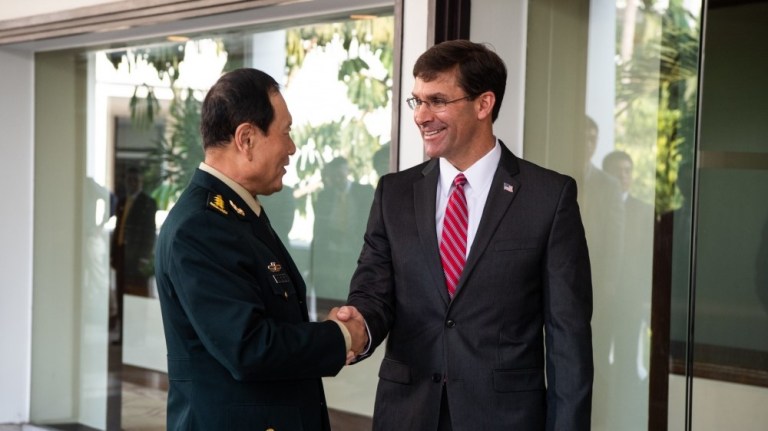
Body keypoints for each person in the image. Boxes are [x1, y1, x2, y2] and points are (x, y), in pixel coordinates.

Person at [336, 40, 593, 430]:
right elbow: (374, 292)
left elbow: (568, 339)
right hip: (407, 414)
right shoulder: (394, 193)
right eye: (417, 101)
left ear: (483, 104)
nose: (421, 116)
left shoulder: (548, 197)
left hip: (504, 419)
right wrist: (357, 325)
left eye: (437, 101)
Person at [154, 68, 367, 430]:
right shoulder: (201, 226)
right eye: (285, 132)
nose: (292, 148)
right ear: (247, 139)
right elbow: (249, 347)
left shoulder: (236, 213)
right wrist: (341, 336)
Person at [311, 156, 373, 300]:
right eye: (334, 176)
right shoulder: (324, 196)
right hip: (331, 251)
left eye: (340, 174)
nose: (337, 179)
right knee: (330, 293)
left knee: (353, 291)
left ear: (348, 172)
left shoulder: (365, 192)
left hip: (355, 251)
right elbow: (319, 226)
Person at [110, 166, 157, 339]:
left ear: (141, 182)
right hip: (121, 253)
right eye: (130, 180)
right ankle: (123, 336)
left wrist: (145, 257)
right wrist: (113, 254)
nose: (132, 183)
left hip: (137, 257)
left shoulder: (148, 203)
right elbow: (118, 228)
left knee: (137, 296)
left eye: (136, 180)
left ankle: (137, 337)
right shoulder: (122, 202)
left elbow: (150, 232)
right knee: (121, 294)